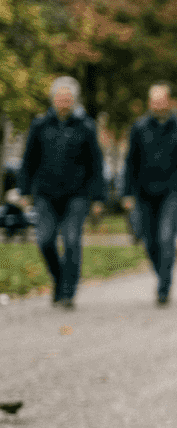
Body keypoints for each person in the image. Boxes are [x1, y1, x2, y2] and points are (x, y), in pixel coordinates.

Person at [17, 76, 106, 309]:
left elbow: (95, 164)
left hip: (76, 195)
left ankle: (67, 292)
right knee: (45, 240)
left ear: (74, 101)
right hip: (45, 193)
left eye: (68, 98)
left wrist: (98, 197)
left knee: (71, 240)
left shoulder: (85, 126)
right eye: (60, 97)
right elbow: (29, 161)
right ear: (53, 100)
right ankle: (59, 278)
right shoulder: (40, 125)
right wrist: (24, 190)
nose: (64, 102)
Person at [121, 82, 177, 306]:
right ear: (149, 103)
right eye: (153, 101)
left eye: (161, 100)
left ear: (169, 101)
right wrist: (127, 193)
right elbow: (131, 163)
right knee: (150, 241)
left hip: (173, 192)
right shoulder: (140, 128)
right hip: (145, 192)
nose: (157, 104)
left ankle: (164, 286)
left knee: (166, 236)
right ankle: (162, 273)